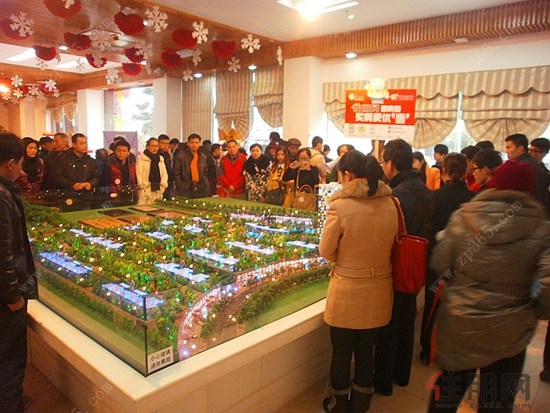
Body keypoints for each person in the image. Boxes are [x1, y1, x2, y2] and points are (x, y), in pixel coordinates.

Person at [427, 160, 550, 413]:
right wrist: (536, 309)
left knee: (446, 396)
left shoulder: (463, 217)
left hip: (461, 322)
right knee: (496, 401)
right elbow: (545, 285)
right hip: (511, 330)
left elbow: (441, 264)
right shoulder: (541, 228)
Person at [320, 151, 398, 413]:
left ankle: (338, 404)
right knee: (366, 350)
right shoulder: (391, 203)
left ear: (347, 175)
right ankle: (361, 404)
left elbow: (326, 250)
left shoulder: (340, 206)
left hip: (347, 289)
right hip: (379, 288)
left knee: (342, 352)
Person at [374, 139, 434, 396]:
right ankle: (402, 374)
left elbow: (387, 235)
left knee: (390, 324)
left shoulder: (396, 195)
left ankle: (383, 382)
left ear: (390, 163)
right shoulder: (424, 189)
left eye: (383, 161)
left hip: (397, 266)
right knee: (407, 320)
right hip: (417, 264)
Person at [420, 153, 475, 365]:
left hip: (437, 258)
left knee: (432, 305)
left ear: (444, 171)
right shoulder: (473, 199)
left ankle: (428, 349)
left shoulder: (435, 197)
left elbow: (428, 228)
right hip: (465, 259)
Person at [0, 132, 39, 413]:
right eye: (20, 164)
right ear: (10, 163)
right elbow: (3, 253)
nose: (21, 171)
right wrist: (13, 295)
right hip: (6, 299)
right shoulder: (3, 197)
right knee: (11, 358)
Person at [505, 133, 548, 209]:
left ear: (520, 148)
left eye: (509, 147)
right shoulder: (527, 163)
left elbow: (527, 195)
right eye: (530, 150)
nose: (506, 151)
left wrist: (511, 211)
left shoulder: (522, 166)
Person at [173, 133, 211, 199]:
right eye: (192, 142)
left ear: (199, 144)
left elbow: (205, 173)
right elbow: (176, 173)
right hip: (186, 187)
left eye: (196, 142)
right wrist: (180, 186)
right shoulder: (181, 156)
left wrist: (206, 185)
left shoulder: (203, 157)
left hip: (200, 187)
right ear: (188, 143)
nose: (194, 145)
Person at [136, 138, 168, 205]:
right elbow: (139, 174)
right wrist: (143, 186)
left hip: (158, 189)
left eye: (156, 146)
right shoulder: (142, 159)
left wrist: (163, 185)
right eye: (152, 146)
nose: (155, 148)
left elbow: (164, 173)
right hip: (146, 189)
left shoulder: (160, 159)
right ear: (147, 146)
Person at [158, 134, 175, 199]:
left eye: (167, 143)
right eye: (162, 143)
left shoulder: (167, 155)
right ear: (158, 143)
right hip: (159, 182)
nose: (165, 145)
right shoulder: (156, 155)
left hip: (168, 181)